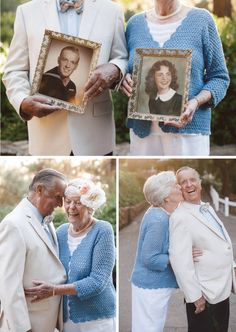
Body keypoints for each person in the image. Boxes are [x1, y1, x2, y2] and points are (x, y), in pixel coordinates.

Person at [3, 0, 127, 156]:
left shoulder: (112, 10)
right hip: (46, 138)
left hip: (96, 137)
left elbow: (122, 57)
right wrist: (22, 101)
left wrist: (115, 68)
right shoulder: (26, 12)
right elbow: (15, 70)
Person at [121, 0, 229, 156]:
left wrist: (195, 102)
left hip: (188, 134)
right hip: (142, 134)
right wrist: (124, 78)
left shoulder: (202, 20)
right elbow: (124, 66)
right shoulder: (134, 24)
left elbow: (220, 78)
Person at [25, 178, 116, 332]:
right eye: (68, 201)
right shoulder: (60, 232)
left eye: (78, 202)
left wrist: (54, 289)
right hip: (66, 321)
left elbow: (98, 281)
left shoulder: (102, 230)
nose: (71, 207)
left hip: (97, 319)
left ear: (90, 206)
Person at [130, 171, 202, 332]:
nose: (180, 187)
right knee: (149, 328)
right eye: (175, 185)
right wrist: (181, 256)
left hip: (152, 285)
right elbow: (149, 258)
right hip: (151, 286)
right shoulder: (158, 220)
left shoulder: (162, 213)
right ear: (166, 197)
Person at [169, 166, 236, 332]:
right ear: (179, 188)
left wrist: (232, 265)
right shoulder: (179, 217)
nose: (189, 184)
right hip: (204, 295)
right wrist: (195, 297)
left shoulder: (207, 208)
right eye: (183, 182)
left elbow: (221, 241)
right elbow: (180, 262)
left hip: (222, 289)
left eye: (192, 179)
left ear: (200, 183)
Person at [0, 169, 67, 332]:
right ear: (39, 190)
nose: (61, 204)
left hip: (46, 323)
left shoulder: (47, 220)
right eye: (58, 197)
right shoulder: (13, 225)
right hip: (27, 324)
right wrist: (23, 329)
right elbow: (9, 286)